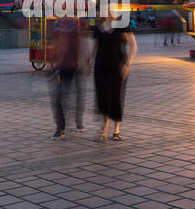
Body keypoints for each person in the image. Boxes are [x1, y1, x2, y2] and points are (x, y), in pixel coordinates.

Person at [93, 11, 137, 142]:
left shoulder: (121, 25)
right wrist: (87, 62)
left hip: (118, 66)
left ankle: (116, 130)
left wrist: (128, 64)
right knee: (103, 96)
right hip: (100, 66)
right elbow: (95, 46)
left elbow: (133, 45)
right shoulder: (98, 26)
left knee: (116, 96)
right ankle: (104, 128)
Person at [50, 16, 89, 140]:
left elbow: (83, 42)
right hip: (65, 66)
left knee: (76, 94)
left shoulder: (78, 23)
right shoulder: (58, 24)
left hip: (75, 65)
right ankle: (62, 128)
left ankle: (75, 122)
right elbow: (56, 43)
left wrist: (84, 62)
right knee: (62, 97)